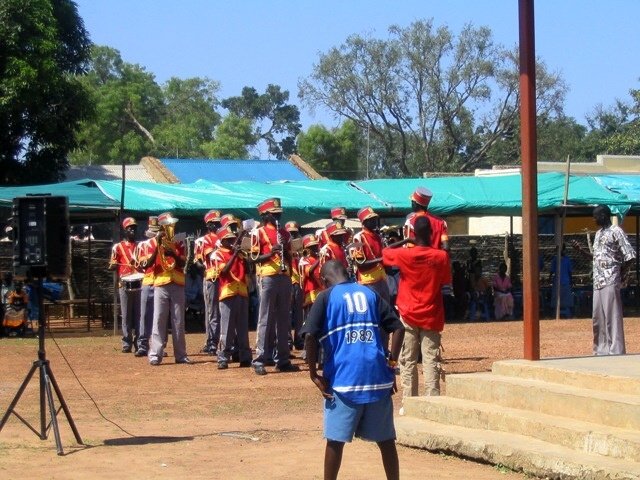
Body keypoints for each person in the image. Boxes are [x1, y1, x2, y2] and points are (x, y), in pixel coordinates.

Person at [301, 260, 404, 480]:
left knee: (335, 441)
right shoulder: (370, 293)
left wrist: (313, 374)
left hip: (344, 380)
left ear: (323, 280)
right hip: (378, 378)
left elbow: (309, 336)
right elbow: (398, 328)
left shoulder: (326, 297)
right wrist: (391, 365)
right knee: (386, 441)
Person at [382, 216, 451, 398]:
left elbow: (385, 252)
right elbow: (444, 280)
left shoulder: (405, 254)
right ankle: (432, 400)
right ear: (431, 233)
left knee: (408, 359)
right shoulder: (441, 257)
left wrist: (406, 240)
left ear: (414, 233)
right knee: (430, 359)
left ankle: (410, 401)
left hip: (408, 312)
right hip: (432, 314)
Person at [573, 205, 636, 355]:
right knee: (598, 318)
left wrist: (620, 272)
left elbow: (630, 255)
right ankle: (601, 351)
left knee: (612, 317)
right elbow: (597, 258)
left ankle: (616, 350)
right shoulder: (599, 234)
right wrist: (581, 251)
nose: (594, 219)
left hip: (610, 279)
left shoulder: (616, 231)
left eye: (596, 216)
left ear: (604, 215)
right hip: (597, 281)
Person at [250, 197, 298, 375]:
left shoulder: (285, 233)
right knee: (266, 318)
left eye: (279, 214)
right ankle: (260, 359)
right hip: (268, 276)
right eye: (274, 214)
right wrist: (271, 252)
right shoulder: (258, 232)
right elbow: (253, 258)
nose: (278, 217)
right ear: (265, 215)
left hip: (284, 276)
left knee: (284, 319)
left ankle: (283, 359)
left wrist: (285, 250)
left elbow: (291, 258)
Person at [146, 212, 191, 365]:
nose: (169, 227)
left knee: (178, 320)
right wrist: (157, 245)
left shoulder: (179, 241)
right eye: (166, 224)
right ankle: (155, 354)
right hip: (160, 282)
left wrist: (174, 254)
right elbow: (148, 264)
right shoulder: (153, 242)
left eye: (170, 224)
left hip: (177, 282)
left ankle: (181, 355)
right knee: (158, 318)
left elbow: (183, 263)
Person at [211, 225, 252, 369]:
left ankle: (245, 356)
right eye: (228, 240)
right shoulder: (217, 254)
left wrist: (243, 255)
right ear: (221, 241)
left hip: (241, 291)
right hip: (227, 292)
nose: (231, 242)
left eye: (232, 239)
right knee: (227, 328)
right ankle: (223, 357)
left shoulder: (239, 254)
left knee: (242, 328)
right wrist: (234, 255)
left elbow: (248, 269)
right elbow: (224, 271)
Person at [108, 217, 141, 354]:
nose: (132, 230)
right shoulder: (118, 247)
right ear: (124, 230)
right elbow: (112, 265)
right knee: (126, 314)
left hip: (139, 283)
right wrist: (113, 265)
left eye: (134, 228)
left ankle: (139, 341)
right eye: (129, 228)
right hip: (124, 283)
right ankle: (126, 342)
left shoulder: (140, 246)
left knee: (140, 314)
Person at [132, 216, 160, 357]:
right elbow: (145, 264)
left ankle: (158, 346)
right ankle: (142, 345)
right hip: (148, 281)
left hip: (162, 282)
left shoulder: (166, 244)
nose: (156, 234)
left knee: (159, 316)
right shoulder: (143, 245)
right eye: (154, 231)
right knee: (144, 315)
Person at [195, 210, 222, 355]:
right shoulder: (204, 240)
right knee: (212, 311)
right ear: (209, 225)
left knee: (223, 311)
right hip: (211, 277)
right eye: (215, 223)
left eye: (219, 223)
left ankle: (223, 341)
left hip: (225, 277)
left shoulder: (224, 237)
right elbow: (199, 262)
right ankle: (211, 341)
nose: (218, 226)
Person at [286, 221, 305, 350]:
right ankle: (287, 341)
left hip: (300, 281)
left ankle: (298, 339)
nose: (293, 236)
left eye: (295, 233)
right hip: (288, 279)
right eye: (290, 234)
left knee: (299, 313)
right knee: (287, 312)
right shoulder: (284, 247)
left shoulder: (303, 248)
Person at [549, 243, 573, 318]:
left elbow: (569, 271)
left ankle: (564, 312)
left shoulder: (564, 259)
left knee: (563, 298)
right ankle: (558, 312)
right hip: (561, 281)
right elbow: (552, 271)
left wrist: (571, 280)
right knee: (561, 297)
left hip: (563, 281)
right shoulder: (556, 260)